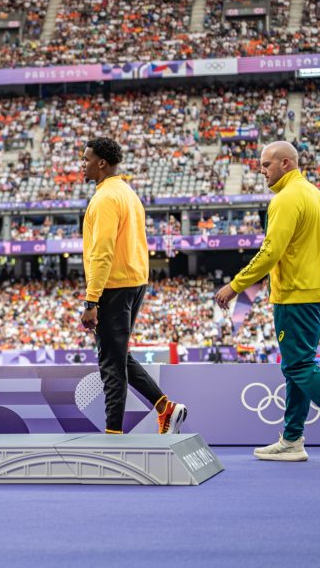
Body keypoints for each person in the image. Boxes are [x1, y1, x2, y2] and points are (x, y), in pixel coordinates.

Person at [215, 141, 320, 464]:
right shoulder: (318, 197)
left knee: (298, 365)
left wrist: (236, 286)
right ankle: (292, 439)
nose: (260, 171)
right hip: (317, 296)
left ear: (286, 163)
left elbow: (270, 252)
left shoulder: (285, 199)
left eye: (265, 165)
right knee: (297, 368)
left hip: (295, 298)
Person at [79, 137, 187, 435]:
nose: (82, 164)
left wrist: (91, 301)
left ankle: (113, 434)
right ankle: (165, 407)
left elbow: (102, 253)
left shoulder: (104, 199)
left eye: (86, 159)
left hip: (113, 286)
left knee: (111, 364)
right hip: (134, 282)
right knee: (119, 356)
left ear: (101, 163)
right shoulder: (127, 193)